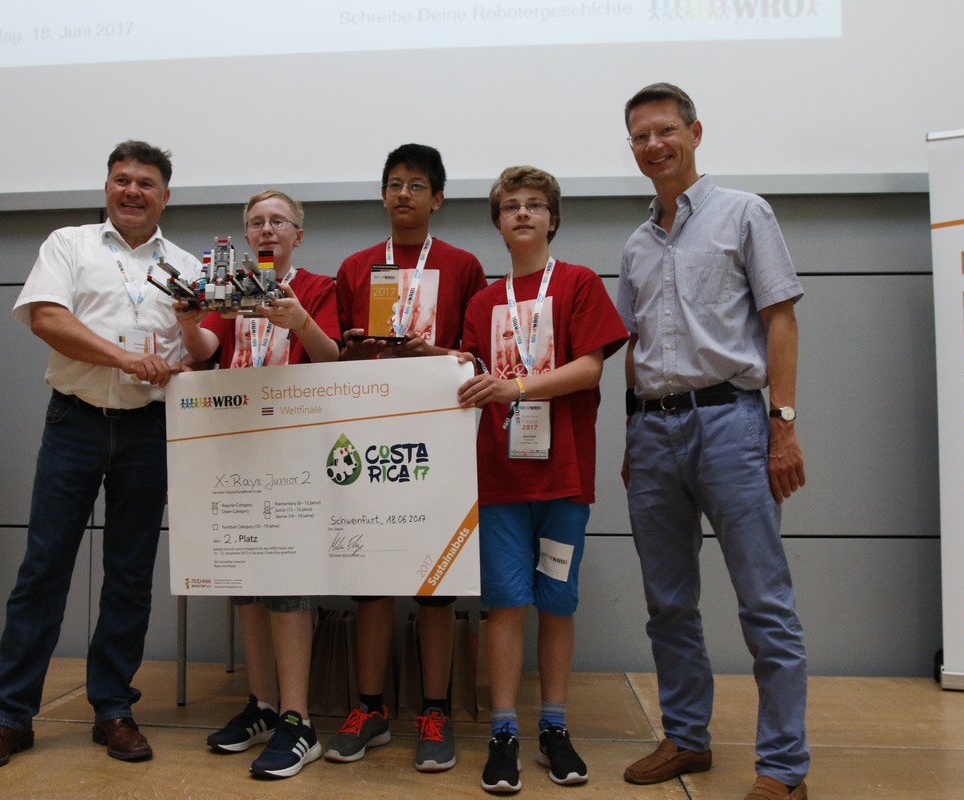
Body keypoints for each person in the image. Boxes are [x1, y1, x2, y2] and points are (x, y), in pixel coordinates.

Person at [0, 140, 202, 774]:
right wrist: (126, 359)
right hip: (75, 423)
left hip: (149, 430)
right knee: (43, 568)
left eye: (146, 183)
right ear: (107, 187)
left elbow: (200, 348)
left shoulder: (187, 266)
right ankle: (9, 717)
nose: (132, 191)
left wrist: (186, 357)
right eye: (122, 179)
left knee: (130, 574)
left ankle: (113, 708)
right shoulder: (69, 244)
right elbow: (46, 318)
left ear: (165, 196)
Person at [617, 82, 809, 800]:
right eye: (641, 137)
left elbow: (781, 320)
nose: (654, 145)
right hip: (654, 432)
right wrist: (633, 433)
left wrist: (783, 426)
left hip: (732, 424)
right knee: (667, 602)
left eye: (665, 130)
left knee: (764, 601)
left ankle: (783, 768)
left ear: (695, 133)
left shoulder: (745, 213)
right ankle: (686, 737)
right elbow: (635, 348)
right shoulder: (636, 245)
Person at [457, 166, 626, 793]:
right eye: (511, 207)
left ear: (553, 219)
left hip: (564, 478)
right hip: (500, 480)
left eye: (534, 205)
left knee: (556, 601)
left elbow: (589, 369)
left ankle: (554, 726)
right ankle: (503, 731)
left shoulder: (578, 282)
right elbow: (470, 373)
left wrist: (517, 387)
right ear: (498, 223)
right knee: (505, 604)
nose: (523, 213)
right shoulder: (483, 302)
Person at [328, 143, 486, 773]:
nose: (403, 194)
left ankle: (435, 711)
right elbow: (335, 358)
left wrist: (429, 352)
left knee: (435, 581)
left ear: (438, 198)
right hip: (369, 436)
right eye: (394, 184)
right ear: (383, 195)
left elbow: (476, 356)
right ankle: (369, 709)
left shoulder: (464, 265)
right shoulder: (355, 266)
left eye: (416, 185)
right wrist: (353, 347)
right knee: (370, 578)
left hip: (439, 439)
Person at [185, 189, 341, 779]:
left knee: (287, 584)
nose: (267, 229)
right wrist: (188, 324)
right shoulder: (230, 289)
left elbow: (333, 360)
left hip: (293, 449)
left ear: (298, 233)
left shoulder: (318, 288)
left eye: (278, 221)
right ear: (245, 236)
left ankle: (299, 721)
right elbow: (206, 350)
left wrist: (300, 320)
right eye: (256, 222)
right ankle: (264, 704)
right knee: (245, 583)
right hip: (234, 446)